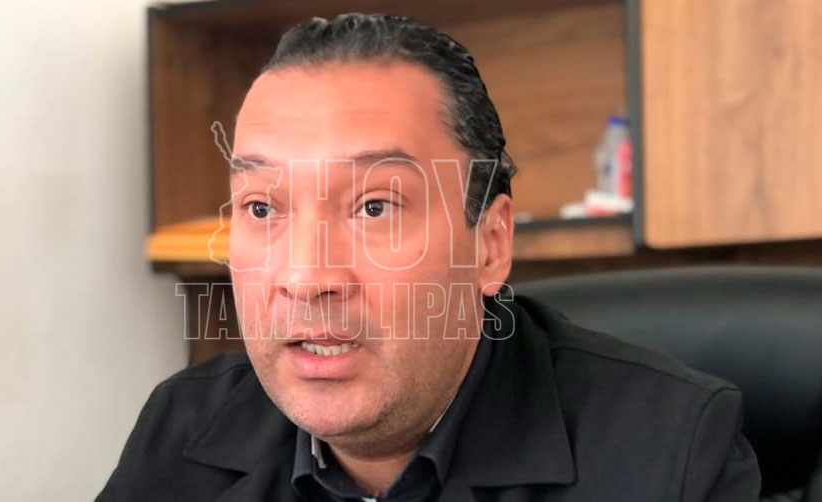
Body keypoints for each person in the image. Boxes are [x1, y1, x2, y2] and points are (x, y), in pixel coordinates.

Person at [97, 13, 760, 502]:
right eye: (262, 209)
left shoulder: (670, 452)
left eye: (374, 207)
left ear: (490, 246)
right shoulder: (183, 427)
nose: (305, 277)